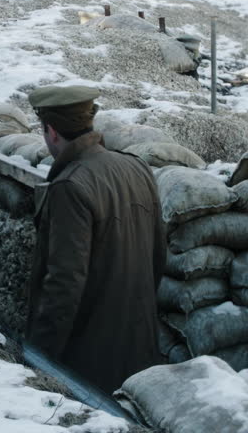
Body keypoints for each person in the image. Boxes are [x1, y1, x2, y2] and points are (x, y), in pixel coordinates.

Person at [24, 85, 166, 394]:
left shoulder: (70, 185)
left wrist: (38, 356)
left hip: (90, 358)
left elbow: (64, 282)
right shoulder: (137, 167)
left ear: (51, 131)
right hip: (140, 345)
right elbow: (158, 254)